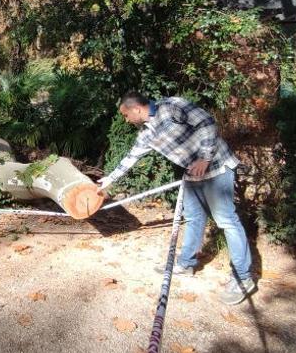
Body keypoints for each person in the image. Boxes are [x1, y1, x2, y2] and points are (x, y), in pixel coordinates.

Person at [96, 91, 255, 305]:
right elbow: (131, 157)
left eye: (126, 115)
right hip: (193, 174)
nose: (126, 120)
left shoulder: (171, 106)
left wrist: (205, 158)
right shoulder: (146, 134)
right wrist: (109, 180)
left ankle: (243, 278)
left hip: (217, 168)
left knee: (226, 220)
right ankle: (186, 263)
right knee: (192, 217)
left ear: (136, 109)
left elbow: (207, 123)